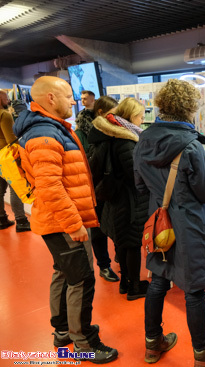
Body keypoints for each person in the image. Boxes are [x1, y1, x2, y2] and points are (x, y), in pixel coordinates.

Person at [12, 76, 117, 363]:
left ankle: (62, 332)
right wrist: (75, 224)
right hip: (63, 223)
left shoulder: (49, 129)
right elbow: (51, 187)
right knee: (82, 280)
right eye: (68, 95)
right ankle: (84, 343)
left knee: (64, 273)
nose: (74, 101)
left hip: (57, 220)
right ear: (50, 98)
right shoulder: (44, 134)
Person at [134, 79, 205, 365]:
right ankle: (202, 351)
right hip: (191, 227)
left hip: (160, 223)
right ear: (190, 108)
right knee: (193, 290)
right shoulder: (192, 146)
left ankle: (152, 343)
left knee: (158, 281)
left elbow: (141, 187)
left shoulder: (142, 141)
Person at [88, 97, 149, 300]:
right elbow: (135, 176)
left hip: (116, 199)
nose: (142, 120)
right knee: (131, 244)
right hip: (129, 202)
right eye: (140, 116)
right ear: (131, 117)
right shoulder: (125, 140)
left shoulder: (111, 136)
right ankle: (134, 287)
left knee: (122, 243)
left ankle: (125, 283)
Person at [74, 95, 120, 283]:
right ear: (101, 113)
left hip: (114, 186)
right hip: (95, 187)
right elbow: (83, 162)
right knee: (98, 229)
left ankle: (119, 254)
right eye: (112, 113)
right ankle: (104, 265)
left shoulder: (115, 129)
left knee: (117, 224)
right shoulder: (81, 133)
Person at [0, 90, 31, 232]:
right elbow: (11, 140)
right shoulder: (4, 115)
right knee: (16, 189)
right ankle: (21, 221)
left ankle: (1, 219)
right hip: (6, 157)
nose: (8, 100)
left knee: (0, 191)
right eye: (6, 97)